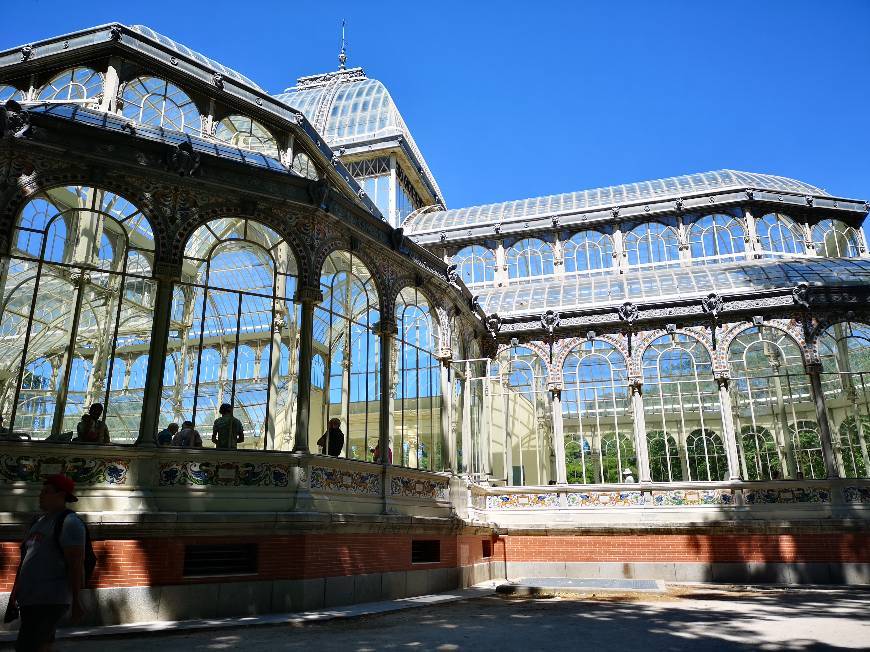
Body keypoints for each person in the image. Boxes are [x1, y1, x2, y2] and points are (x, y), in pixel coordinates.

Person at [9, 474, 86, 651]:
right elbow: (26, 560)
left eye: (46, 492)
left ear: (61, 495)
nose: (41, 495)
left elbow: (75, 564)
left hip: (49, 599)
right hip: (30, 599)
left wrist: (76, 600)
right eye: (41, 491)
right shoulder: (37, 522)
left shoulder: (70, 523)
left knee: (26, 647)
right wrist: (15, 594)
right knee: (43, 645)